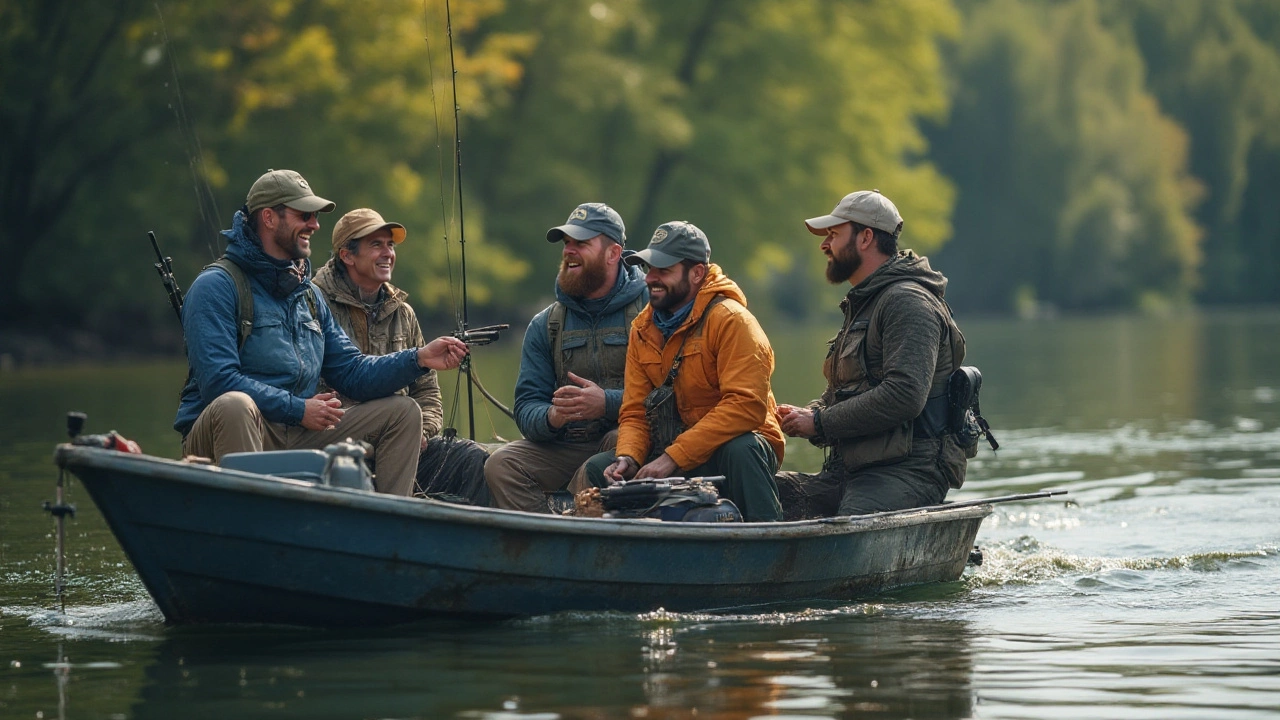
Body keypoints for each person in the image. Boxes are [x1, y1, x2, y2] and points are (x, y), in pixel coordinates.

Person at [173, 169, 469, 496]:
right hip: (231, 430)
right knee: (235, 404)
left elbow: (352, 371)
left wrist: (418, 358)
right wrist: (298, 409)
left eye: (314, 216)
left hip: (296, 429)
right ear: (269, 218)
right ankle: (252, 525)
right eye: (304, 215)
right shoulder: (216, 286)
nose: (314, 224)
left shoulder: (308, 295)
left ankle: (388, 530)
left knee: (402, 413)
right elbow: (219, 381)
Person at [773, 190, 970, 518]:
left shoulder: (908, 304)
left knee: (851, 523)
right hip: (850, 473)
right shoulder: (866, 303)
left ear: (866, 237)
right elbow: (844, 392)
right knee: (763, 494)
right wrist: (804, 415)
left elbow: (904, 395)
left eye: (834, 235)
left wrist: (820, 423)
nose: (825, 245)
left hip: (907, 473)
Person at [582, 221, 785, 522]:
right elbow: (635, 411)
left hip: (736, 447)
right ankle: (629, 552)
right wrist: (628, 457)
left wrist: (672, 458)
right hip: (677, 447)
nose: (650, 278)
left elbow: (746, 407)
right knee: (602, 467)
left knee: (741, 448)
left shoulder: (733, 321)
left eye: (663, 270)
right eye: (649, 269)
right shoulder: (642, 328)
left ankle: (770, 543)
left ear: (697, 274)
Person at [311, 208, 492, 504]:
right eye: (376, 245)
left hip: (403, 438)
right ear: (347, 255)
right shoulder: (315, 303)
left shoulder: (403, 313)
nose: (388, 254)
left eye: (390, 245)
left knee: (471, 459)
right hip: (338, 441)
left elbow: (428, 392)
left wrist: (422, 431)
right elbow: (311, 384)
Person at [483, 203, 648, 512]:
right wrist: (553, 417)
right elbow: (527, 405)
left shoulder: (651, 310)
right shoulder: (545, 324)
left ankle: (587, 533)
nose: (569, 251)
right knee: (500, 465)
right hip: (567, 445)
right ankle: (545, 544)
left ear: (613, 253)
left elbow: (672, 393)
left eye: (581, 243)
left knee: (614, 446)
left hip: (629, 438)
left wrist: (607, 402)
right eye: (566, 243)